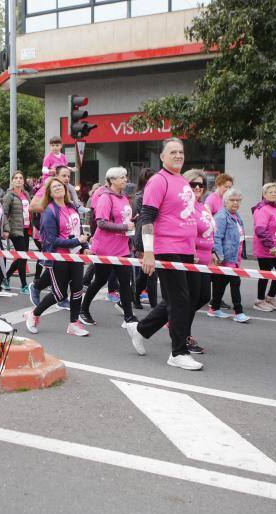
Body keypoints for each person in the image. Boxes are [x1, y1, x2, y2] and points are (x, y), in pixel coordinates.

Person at [123, 137, 203, 371]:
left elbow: (187, 216)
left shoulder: (182, 181)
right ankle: (178, 352)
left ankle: (140, 329)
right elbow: (147, 218)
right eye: (173, 152)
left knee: (195, 297)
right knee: (179, 301)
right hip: (167, 249)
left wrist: (194, 248)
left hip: (186, 249)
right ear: (162, 157)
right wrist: (149, 252)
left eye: (181, 152)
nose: (178, 155)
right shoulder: (158, 181)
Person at [24, 177, 90, 336]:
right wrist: (76, 241)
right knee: (59, 294)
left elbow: (78, 229)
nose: (58, 188)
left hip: (76, 255)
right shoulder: (49, 211)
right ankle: (34, 315)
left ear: (65, 189)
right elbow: (51, 240)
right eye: (54, 187)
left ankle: (73, 324)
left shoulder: (71, 206)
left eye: (60, 185)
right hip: (59, 257)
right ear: (50, 193)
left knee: (77, 290)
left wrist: (85, 246)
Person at [79, 167, 137, 326]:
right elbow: (101, 223)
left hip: (122, 247)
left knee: (125, 282)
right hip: (106, 248)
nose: (125, 180)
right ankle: (83, 309)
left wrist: (129, 232)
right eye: (122, 178)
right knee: (100, 280)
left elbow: (124, 220)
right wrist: (125, 227)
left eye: (125, 177)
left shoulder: (124, 198)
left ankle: (129, 317)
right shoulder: (106, 198)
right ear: (112, 180)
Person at [185, 168, 217, 354]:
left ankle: (175, 321)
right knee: (191, 299)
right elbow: (185, 231)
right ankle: (184, 335)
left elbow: (209, 230)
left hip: (206, 259)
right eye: (193, 184)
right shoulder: (186, 207)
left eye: (201, 185)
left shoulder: (203, 207)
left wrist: (212, 250)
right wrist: (193, 250)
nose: (198, 188)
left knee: (204, 297)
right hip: (192, 258)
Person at [209, 188, 251, 323]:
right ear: (225, 201)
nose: (235, 203)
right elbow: (216, 237)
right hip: (226, 258)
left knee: (221, 283)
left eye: (238, 200)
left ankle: (214, 308)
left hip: (234, 257)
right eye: (232, 200)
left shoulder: (236, 216)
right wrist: (219, 256)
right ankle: (238, 312)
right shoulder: (221, 216)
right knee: (235, 282)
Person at [252, 182, 276, 312]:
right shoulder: (262, 209)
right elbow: (260, 229)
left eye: (275, 192)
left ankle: (270, 297)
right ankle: (259, 300)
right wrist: (270, 245)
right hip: (266, 249)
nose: (274, 194)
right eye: (270, 192)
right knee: (265, 274)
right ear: (264, 194)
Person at [131, 168, 158, 309]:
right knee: (150, 272)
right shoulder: (140, 197)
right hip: (144, 237)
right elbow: (141, 222)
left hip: (156, 237)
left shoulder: (157, 195)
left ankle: (135, 295)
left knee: (148, 272)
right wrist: (140, 245)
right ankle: (153, 304)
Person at [2, 170, 31, 293]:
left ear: (23, 181)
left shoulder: (26, 194)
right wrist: (6, 229)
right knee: (22, 257)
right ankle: (24, 285)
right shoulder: (9, 195)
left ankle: (6, 277)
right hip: (15, 230)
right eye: (16, 178)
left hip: (26, 229)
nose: (19, 180)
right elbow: (3, 214)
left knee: (21, 256)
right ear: (12, 181)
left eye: (21, 178)